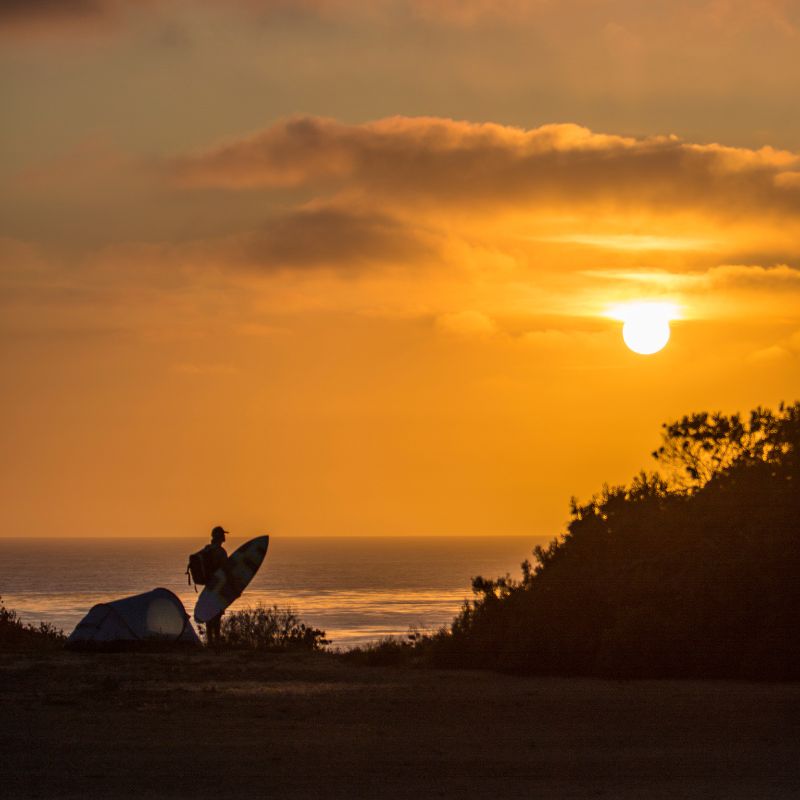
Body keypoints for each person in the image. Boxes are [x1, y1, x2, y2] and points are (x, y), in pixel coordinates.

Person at [203, 525, 229, 646]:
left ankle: (210, 642)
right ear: (220, 537)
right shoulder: (221, 552)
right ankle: (216, 642)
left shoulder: (207, 549)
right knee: (216, 616)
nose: (225, 536)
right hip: (217, 587)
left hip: (208, 587)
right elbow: (226, 571)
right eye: (223, 534)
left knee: (209, 615)